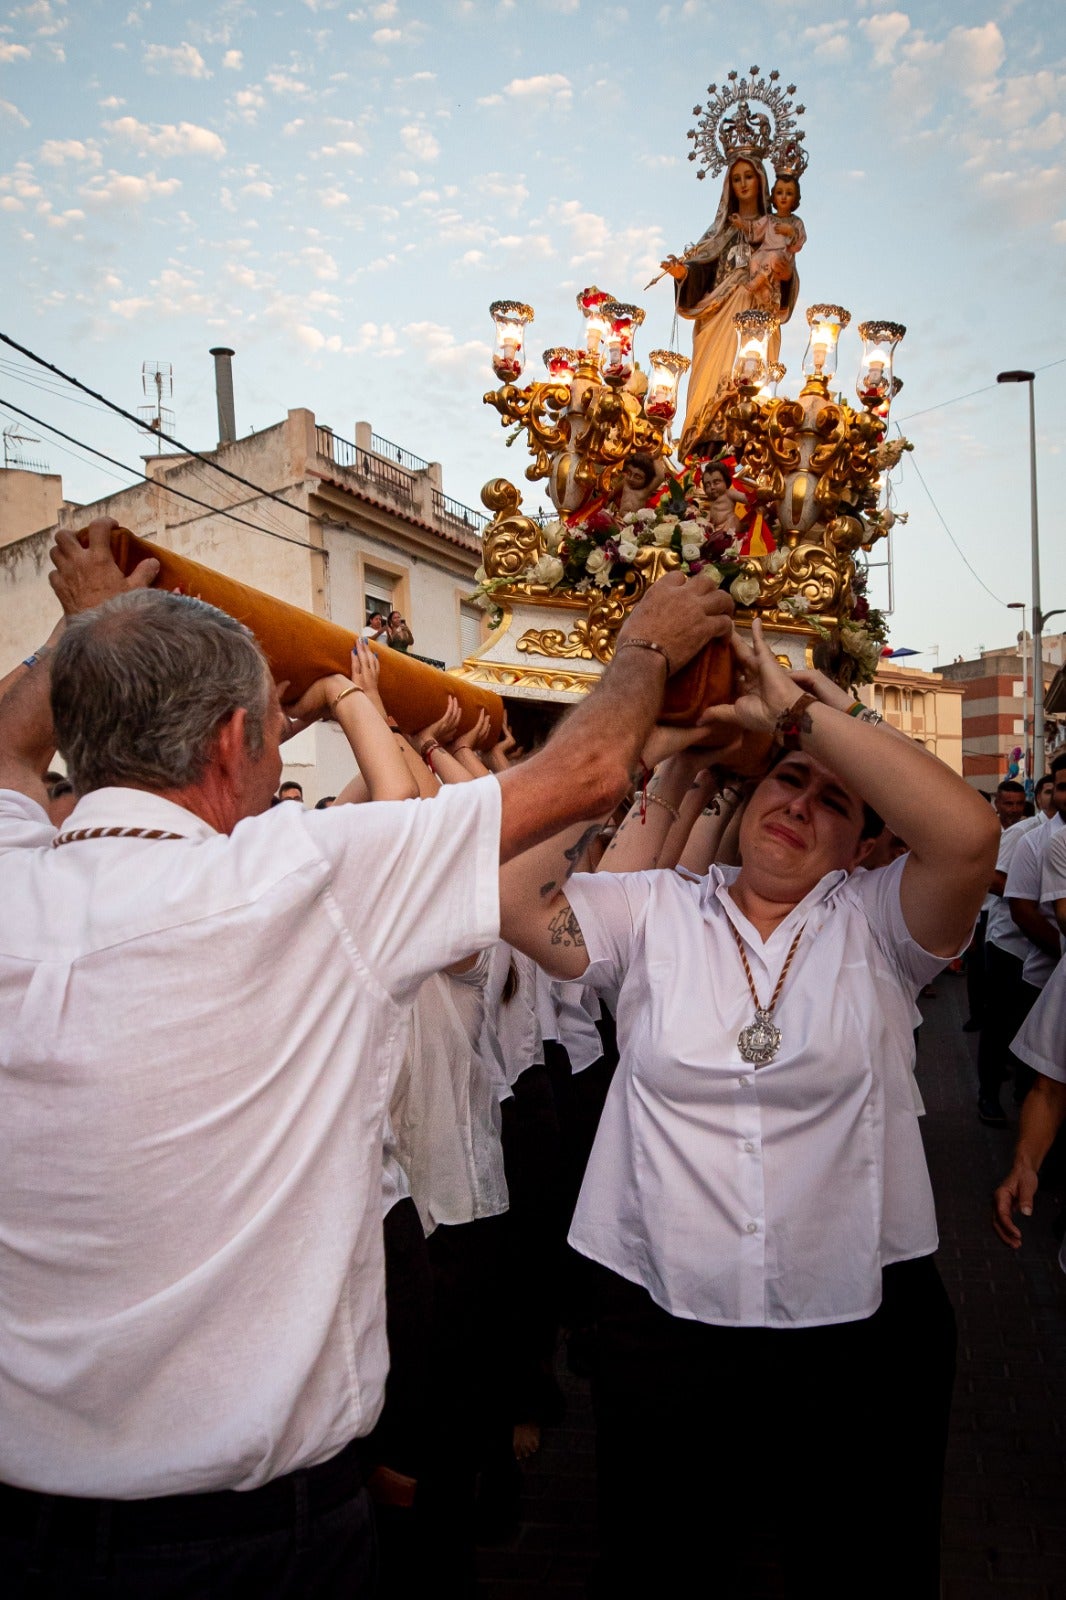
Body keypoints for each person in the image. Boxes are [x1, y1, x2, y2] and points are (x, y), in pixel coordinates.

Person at [0, 519, 733, 1598]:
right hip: (250, 1549)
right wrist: (646, 643)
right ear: (232, 741)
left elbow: (10, 748)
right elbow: (588, 769)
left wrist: (92, 632)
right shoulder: (301, 883)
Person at [499, 625, 998, 1597]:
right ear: (748, 795)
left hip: (858, 1321)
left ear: (864, 838)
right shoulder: (658, 910)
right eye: (786, 780)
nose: (799, 806)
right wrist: (650, 736)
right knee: (664, 1564)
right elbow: (519, 897)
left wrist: (799, 707)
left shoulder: (883, 921)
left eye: (831, 799)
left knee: (860, 1567)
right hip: (662, 1316)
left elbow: (968, 834)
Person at [660, 155, 799, 454]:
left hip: (759, 319)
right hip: (718, 319)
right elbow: (702, 269)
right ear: (728, 187)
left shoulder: (775, 228)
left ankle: (748, 446)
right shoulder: (718, 233)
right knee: (712, 384)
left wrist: (785, 276)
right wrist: (684, 273)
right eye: (736, 179)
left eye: (749, 176)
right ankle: (706, 448)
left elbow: (786, 274)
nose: (743, 184)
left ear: (761, 181)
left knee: (753, 390)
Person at [735, 171, 806, 307]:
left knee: (773, 257)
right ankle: (763, 292)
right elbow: (755, 228)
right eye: (779, 193)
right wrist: (742, 224)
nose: (783, 197)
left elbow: (798, 244)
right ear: (773, 196)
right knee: (754, 260)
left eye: (789, 193)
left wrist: (791, 231)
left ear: (795, 198)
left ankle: (762, 282)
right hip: (764, 251)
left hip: (780, 254)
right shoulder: (769, 219)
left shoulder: (795, 222)